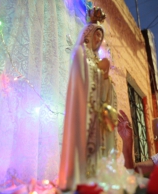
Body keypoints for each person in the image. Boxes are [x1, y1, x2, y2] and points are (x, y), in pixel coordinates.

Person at [58, 7, 117, 191]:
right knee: (82, 148)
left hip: (97, 117)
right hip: (84, 112)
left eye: (101, 37)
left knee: (96, 156)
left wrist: (105, 75)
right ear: (88, 34)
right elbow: (81, 76)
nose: (98, 40)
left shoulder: (96, 58)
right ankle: (79, 180)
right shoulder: (81, 53)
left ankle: (95, 182)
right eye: (96, 35)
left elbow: (106, 91)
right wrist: (99, 71)